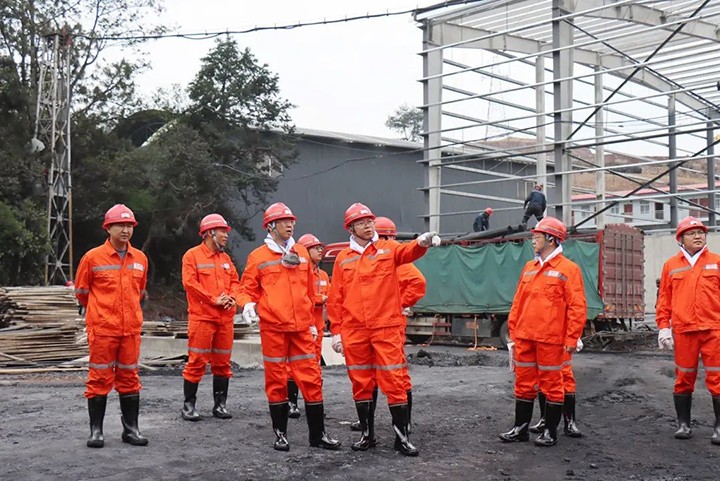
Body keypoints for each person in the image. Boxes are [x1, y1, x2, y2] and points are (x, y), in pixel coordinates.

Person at [327, 203, 440, 456]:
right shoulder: (343, 259)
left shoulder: (388, 249)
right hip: (355, 330)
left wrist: (421, 243)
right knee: (361, 382)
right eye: (362, 223)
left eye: (370, 221)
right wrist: (336, 331)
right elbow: (336, 298)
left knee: (394, 380)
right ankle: (367, 436)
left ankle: (402, 438)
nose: (368, 225)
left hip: (385, 327)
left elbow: (408, 253)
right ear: (351, 228)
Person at [238, 202, 340, 452]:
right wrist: (247, 304)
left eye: (291, 221)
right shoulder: (258, 257)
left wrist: (312, 322)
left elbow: (308, 291)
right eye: (284, 221)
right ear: (271, 226)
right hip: (274, 329)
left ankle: (318, 435)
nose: (290, 225)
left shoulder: (302, 253)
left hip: (302, 329)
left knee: (312, 378)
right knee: (276, 380)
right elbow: (246, 288)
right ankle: (281, 434)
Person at [499, 217, 586, 447]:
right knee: (523, 383)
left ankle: (550, 432)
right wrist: (513, 333)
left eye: (536, 237)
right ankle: (520, 429)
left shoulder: (568, 269)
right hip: (525, 337)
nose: (533, 241)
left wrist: (572, 337)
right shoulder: (530, 268)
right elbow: (518, 302)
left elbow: (577, 306)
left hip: (550, 339)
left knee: (552, 384)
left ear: (551, 239)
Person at [74, 204, 149, 448]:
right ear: (108, 228)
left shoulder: (140, 259)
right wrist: (101, 312)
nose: (126, 230)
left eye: (129, 226)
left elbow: (139, 291)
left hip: (130, 330)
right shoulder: (92, 258)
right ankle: (96, 431)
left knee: (130, 378)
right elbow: (82, 292)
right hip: (103, 329)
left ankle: (131, 430)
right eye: (120, 225)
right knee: (99, 378)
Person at [348, 216, 427, 435]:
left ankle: (403, 425)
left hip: (389, 323)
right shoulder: (365, 258)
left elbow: (418, 283)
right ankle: (370, 424)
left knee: (394, 373)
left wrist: (400, 303)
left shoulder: (393, 258)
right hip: (372, 322)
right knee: (371, 374)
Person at [655, 216, 720, 444]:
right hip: (684, 331)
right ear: (680, 239)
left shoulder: (716, 262)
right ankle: (683, 424)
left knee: (718, 378)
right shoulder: (671, 266)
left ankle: (719, 427)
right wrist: (664, 327)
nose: (698, 236)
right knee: (683, 378)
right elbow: (664, 299)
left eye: (701, 232)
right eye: (691, 233)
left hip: (714, 329)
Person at [180, 213, 241, 422]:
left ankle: (220, 405)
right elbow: (190, 283)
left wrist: (232, 298)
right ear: (209, 233)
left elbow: (235, 281)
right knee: (197, 361)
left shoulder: (225, 259)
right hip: (202, 319)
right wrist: (213, 299)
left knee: (223, 363)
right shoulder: (192, 256)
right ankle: (189, 406)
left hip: (224, 320)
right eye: (223, 231)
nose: (226, 235)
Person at [285, 233, 330, 419]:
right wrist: (319, 299)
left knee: (314, 366)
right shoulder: (296, 273)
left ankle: (314, 403)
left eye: (320, 247)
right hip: (300, 326)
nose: (320, 250)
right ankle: (291, 403)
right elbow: (299, 296)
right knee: (293, 365)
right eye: (315, 248)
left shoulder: (323, 275)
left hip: (317, 326)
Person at [529, 338, 584, 438]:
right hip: (541, 338)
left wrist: (572, 339)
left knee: (565, 376)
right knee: (544, 376)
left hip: (560, 339)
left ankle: (569, 422)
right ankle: (545, 420)